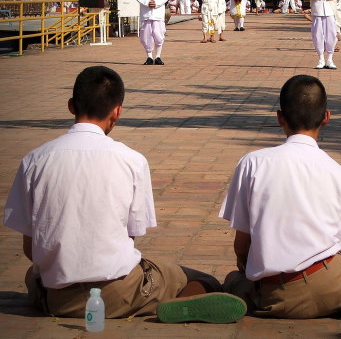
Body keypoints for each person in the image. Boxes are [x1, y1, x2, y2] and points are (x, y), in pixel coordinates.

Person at [159, 75, 341, 324]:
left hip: (272, 293)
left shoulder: (253, 163)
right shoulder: (340, 174)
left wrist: (250, 270)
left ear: (280, 118)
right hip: (328, 286)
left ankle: (222, 299)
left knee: (228, 282)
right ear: (326, 118)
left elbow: (242, 244)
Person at [3, 66, 246, 322]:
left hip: (56, 297)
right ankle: (182, 301)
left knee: (33, 274)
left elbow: (30, 247)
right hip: (119, 293)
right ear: (117, 111)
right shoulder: (131, 160)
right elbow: (131, 236)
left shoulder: (35, 160)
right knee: (201, 279)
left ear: (71, 106)